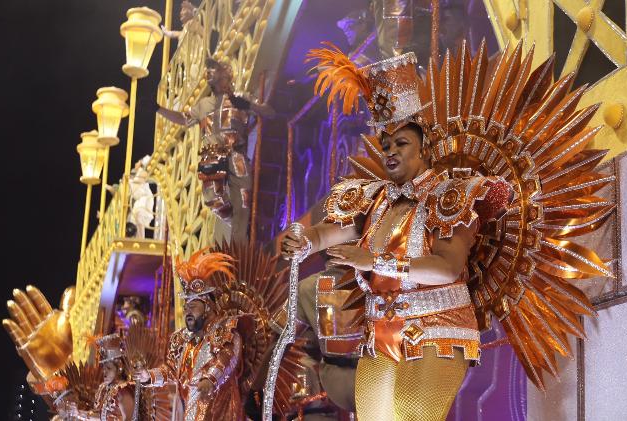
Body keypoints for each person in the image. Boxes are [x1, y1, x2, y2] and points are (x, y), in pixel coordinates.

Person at [281, 45, 511, 420]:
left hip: (436, 329)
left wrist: (375, 261)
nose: (390, 152)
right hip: (380, 333)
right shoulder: (373, 199)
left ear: (425, 148)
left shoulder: (450, 194)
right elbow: (330, 232)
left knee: (410, 413)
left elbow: (447, 268)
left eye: (401, 143)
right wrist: (304, 240)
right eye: (385, 144)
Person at [156, 58, 273, 245]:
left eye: (213, 69)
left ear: (225, 72)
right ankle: (241, 225)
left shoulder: (241, 97)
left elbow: (269, 112)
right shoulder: (203, 105)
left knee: (242, 203)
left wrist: (248, 106)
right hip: (212, 155)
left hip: (237, 155)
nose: (208, 72)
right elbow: (184, 119)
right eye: (207, 70)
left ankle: (240, 253)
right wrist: (159, 109)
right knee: (213, 200)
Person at [133, 250, 245, 420]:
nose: (187, 312)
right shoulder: (182, 339)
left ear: (207, 307)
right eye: (186, 308)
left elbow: (228, 355)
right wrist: (149, 376)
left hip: (218, 411)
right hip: (189, 411)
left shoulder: (223, 328)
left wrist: (210, 379)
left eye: (193, 306)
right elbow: (170, 369)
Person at [68, 334, 136, 420]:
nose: (104, 372)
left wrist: (80, 414)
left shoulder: (124, 391)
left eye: (109, 368)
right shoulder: (103, 389)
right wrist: (79, 413)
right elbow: (99, 416)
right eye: (103, 368)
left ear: (119, 367)